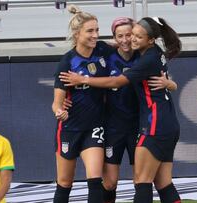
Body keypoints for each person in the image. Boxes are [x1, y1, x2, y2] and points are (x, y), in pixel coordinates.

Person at [59, 17, 182, 203]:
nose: (129, 40)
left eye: (135, 36)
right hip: (158, 124)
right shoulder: (150, 51)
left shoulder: (145, 58)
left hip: (151, 125)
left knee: (142, 182)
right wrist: (66, 100)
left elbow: (117, 81)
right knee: (162, 182)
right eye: (124, 36)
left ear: (150, 40)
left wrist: (82, 80)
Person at [51, 4, 112, 203]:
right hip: (70, 128)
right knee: (64, 183)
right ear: (77, 34)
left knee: (95, 179)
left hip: (94, 126)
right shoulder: (67, 62)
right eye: (90, 31)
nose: (95, 35)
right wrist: (60, 112)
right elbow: (56, 104)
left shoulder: (101, 49)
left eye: (97, 30)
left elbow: (122, 45)